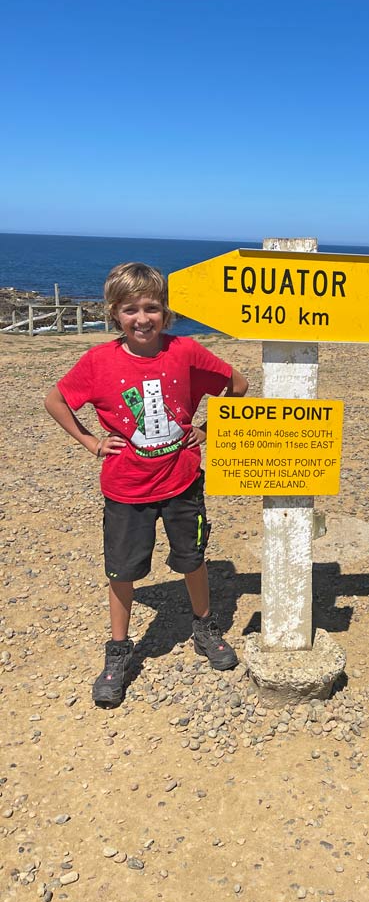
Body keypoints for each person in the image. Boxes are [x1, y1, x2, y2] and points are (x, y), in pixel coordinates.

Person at [44, 262, 249, 706]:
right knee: (122, 572)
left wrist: (208, 428)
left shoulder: (185, 351)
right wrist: (90, 442)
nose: (142, 318)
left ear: (165, 312)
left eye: (152, 308)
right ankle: (118, 651)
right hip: (126, 489)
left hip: (182, 481)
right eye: (130, 309)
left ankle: (204, 626)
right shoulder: (98, 361)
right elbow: (55, 399)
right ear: (114, 313)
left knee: (192, 559)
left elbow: (238, 384)